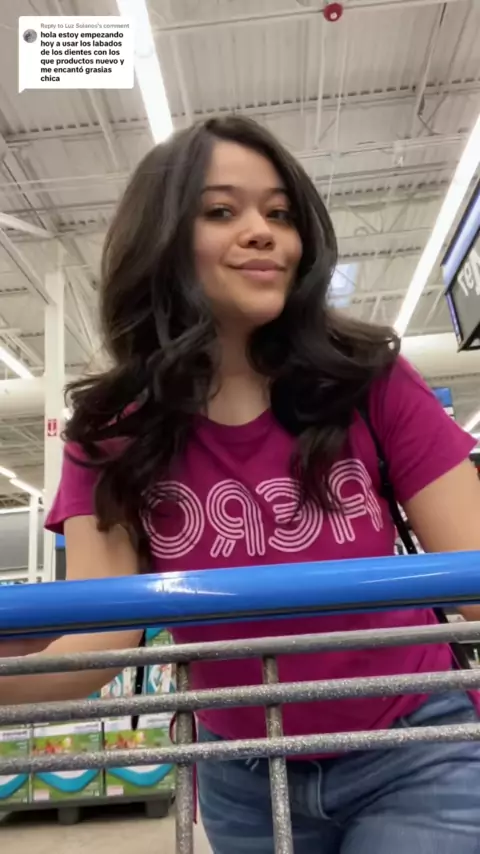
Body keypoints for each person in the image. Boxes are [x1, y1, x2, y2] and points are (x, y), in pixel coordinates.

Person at [2, 115, 480, 852]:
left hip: (414, 747)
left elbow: (473, 576)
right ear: (161, 239)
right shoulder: (110, 433)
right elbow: (99, 635)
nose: (263, 233)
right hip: (243, 772)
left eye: (280, 214)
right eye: (222, 211)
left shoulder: (369, 380)